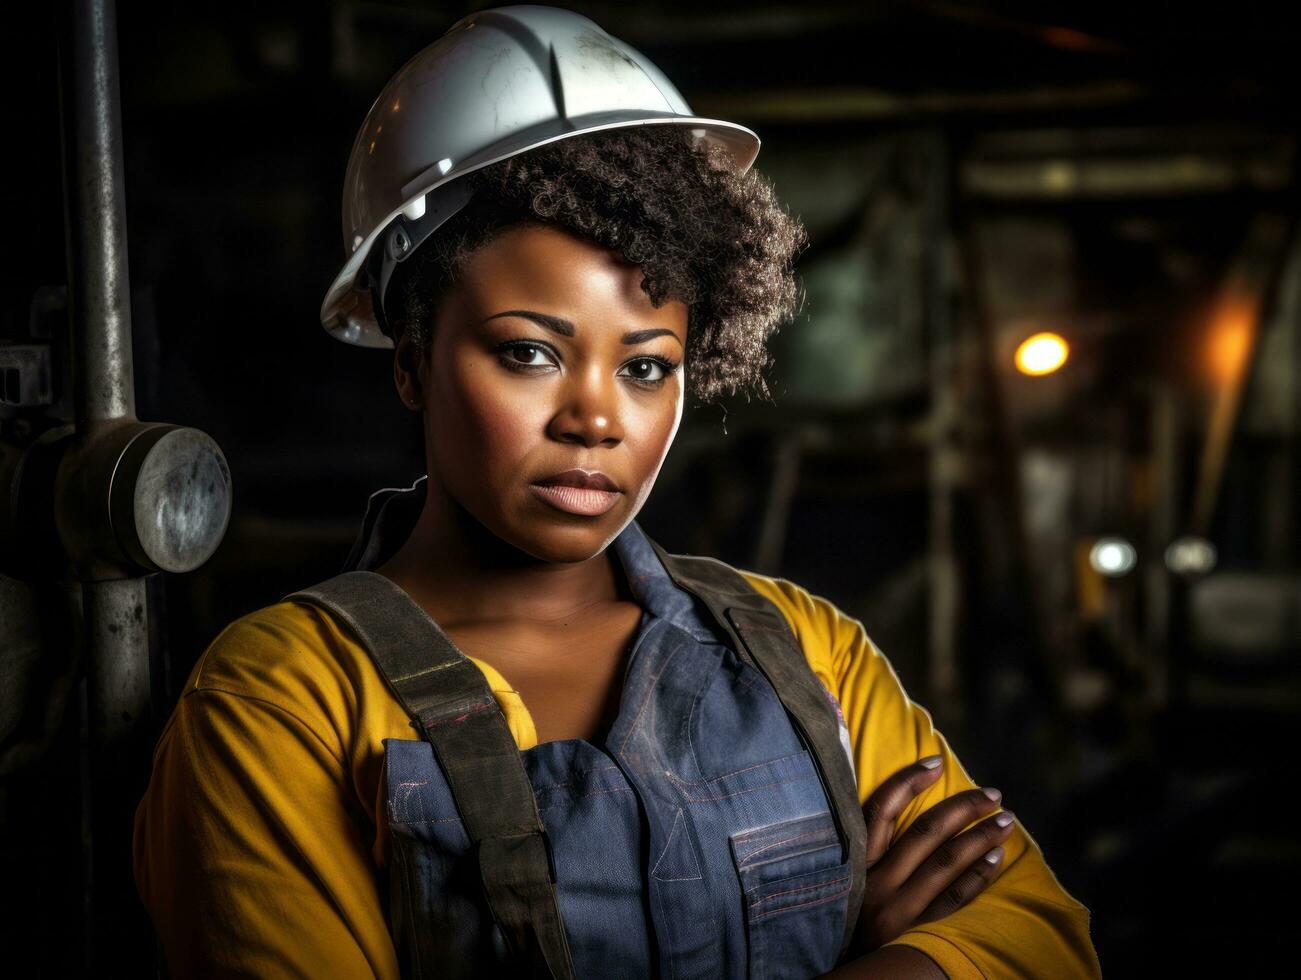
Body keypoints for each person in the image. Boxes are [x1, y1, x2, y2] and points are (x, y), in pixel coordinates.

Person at [133, 6, 1101, 978]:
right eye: (529, 353)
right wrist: (857, 946)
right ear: (413, 358)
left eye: (646, 368)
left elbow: (1039, 939)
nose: (595, 417)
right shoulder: (279, 700)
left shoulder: (802, 649)